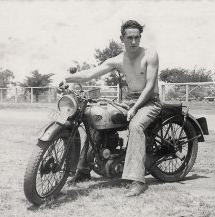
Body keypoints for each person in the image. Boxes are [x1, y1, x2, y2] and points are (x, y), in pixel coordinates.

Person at [65, 20, 161, 197]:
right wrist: (67, 79)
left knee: (135, 127)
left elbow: (149, 86)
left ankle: (137, 180)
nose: (133, 41)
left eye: (137, 37)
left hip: (150, 101)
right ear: (122, 39)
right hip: (128, 100)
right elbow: (91, 73)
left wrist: (135, 108)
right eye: (129, 37)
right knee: (96, 119)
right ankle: (83, 170)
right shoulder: (117, 60)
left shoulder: (150, 55)